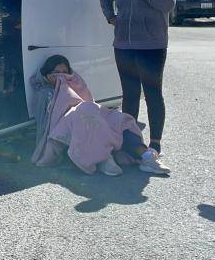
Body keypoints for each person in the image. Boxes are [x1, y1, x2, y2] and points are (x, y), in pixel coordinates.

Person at [30, 55, 170, 176]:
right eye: (56, 73)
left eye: (64, 72)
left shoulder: (76, 84)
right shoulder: (43, 92)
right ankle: (103, 159)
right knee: (87, 113)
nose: (61, 76)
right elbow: (47, 120)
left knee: (117, 120)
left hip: (88, 113)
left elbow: (88, 100)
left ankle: (147, 157)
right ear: (48, 75)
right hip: (68, 122)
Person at [99, 0, 175, 155]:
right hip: (124, 46)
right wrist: (110, 17)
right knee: (130, 94)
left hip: (151, 46)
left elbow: (168, 4)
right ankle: (130, 138)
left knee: (152, 93)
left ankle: (156, 142)